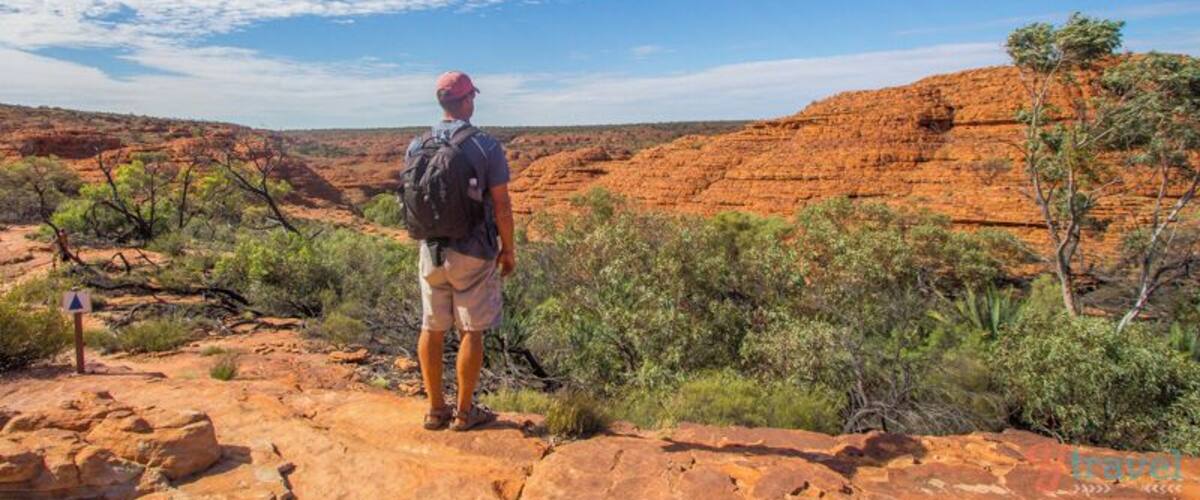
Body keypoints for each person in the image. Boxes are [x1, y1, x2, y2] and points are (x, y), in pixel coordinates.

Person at [409, 71, 516, 431]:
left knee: (432, 327)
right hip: (473, 250)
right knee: (471, 330)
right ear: (466, 100)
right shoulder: (485, 145)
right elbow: (502, 205)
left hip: (431, 248)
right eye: (472, 97)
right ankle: (465, 412)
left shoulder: (416, 144)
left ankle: (435, 410)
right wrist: (509, 250)